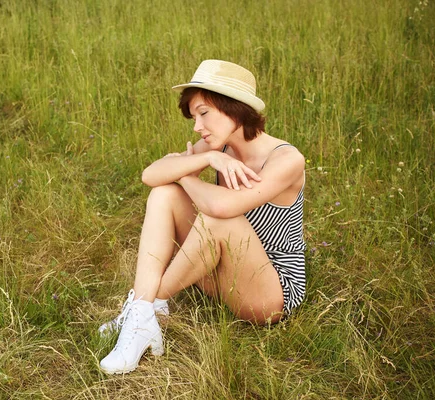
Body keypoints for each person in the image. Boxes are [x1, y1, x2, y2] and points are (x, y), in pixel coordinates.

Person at [98, 60, 306, 374]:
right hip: (227, 272)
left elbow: (222, 209)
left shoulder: (287, 159)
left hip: (270, 295)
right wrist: (208, 157)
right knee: (164, 194)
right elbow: (151, 175)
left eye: (204, 113)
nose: (197, 126)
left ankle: (143, 310)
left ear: (235, 108)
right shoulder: (219, 147)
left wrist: (186, 174)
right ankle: (142, 313)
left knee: (216, 216)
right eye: (195, 116)